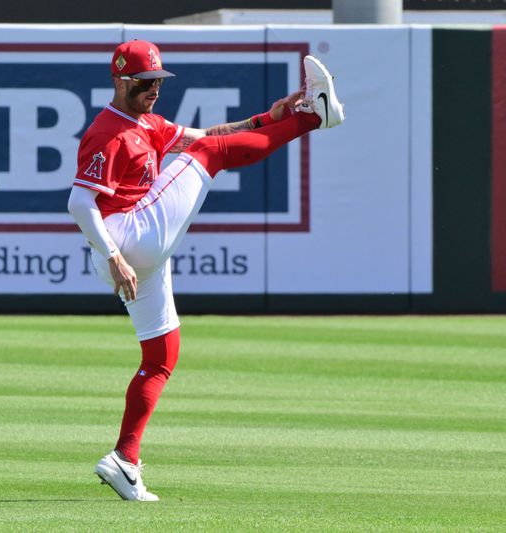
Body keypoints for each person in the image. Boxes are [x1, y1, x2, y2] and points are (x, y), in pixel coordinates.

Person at [67, 39, 344, 501]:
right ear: (119, 80)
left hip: (134, 252)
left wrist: (266, 118)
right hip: (128, 237)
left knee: (161, 356)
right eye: (144, 82)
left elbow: (206, 134)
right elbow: (79, 202)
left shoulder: (146, 121)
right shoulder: (109, 132)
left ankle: (124, 459)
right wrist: (115, 256)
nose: (154, 89)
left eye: (158, 81)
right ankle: (316, 117)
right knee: (210, 159)